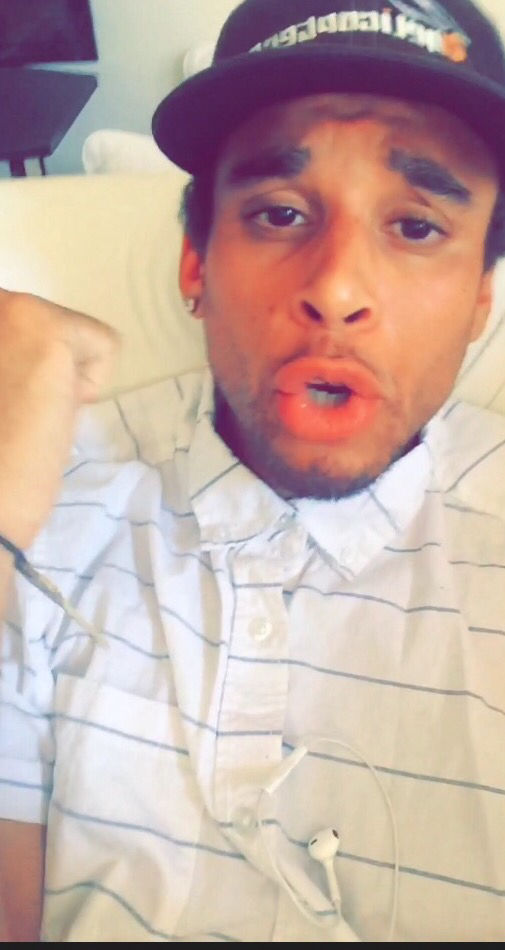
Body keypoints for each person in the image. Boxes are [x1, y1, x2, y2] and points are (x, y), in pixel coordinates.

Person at [1, 0, 505, 941]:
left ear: (481, 298)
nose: (336, 290)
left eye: (415, 226)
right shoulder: (35, 507)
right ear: (195, 263)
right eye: (279, 214)